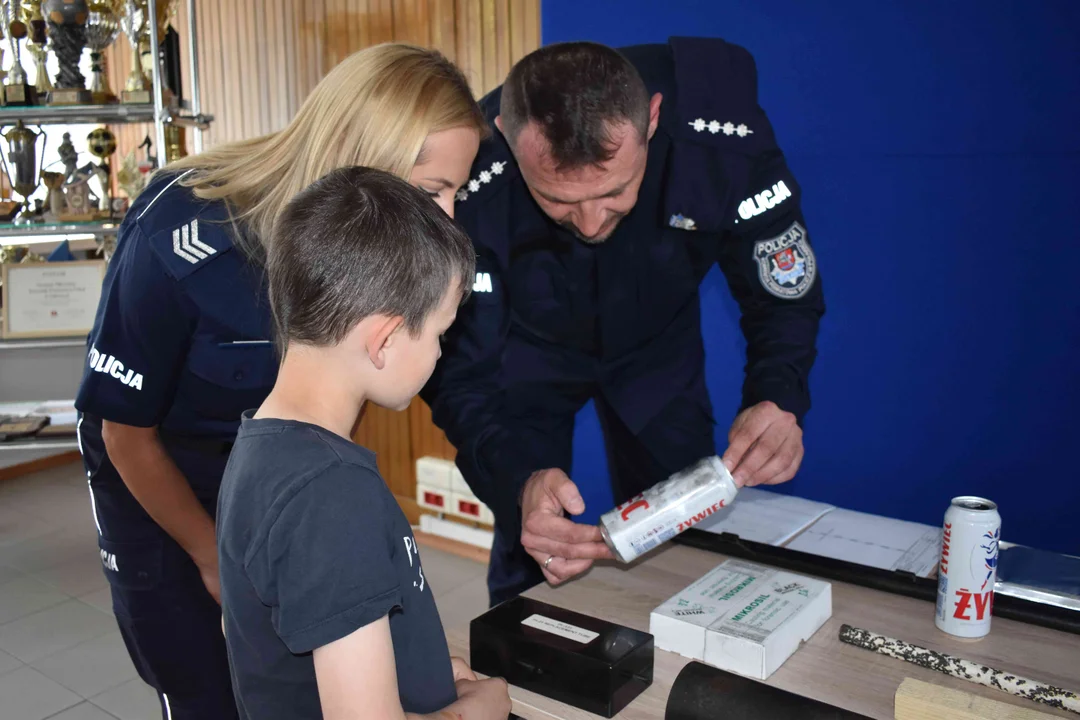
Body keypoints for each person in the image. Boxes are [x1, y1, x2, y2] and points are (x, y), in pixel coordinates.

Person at [75, 44, 485, 719]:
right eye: (431, 190)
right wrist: (214, 559)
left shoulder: (371, 256)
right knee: (204, 680)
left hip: (279, 475)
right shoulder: (184, 230)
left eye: (455, 193)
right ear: (360, 153)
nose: (445, 217)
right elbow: (124, 429)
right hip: (163, 483)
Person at [423, 38, 825, 605]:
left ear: (653, 120)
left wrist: (779, 397)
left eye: (614, 191)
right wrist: (518, 483)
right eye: (558, 200)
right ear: (511, 143)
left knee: (685, 539)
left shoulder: (722, 142)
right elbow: (457, 374)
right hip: (524, 349)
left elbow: (783, 290)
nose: (589, 223)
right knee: (535, 536)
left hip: (656, 346)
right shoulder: (467, 184)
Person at [217, 167, 511, 720]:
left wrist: (418, 661)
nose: (442, 354)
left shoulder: (267, 444)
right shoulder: (329, 494)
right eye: (440, 334)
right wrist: (479, 713)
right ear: (385, 339)